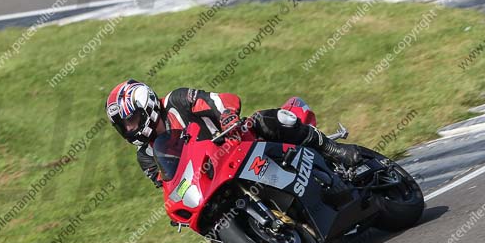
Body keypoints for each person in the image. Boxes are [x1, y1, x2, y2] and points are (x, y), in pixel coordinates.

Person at [105, 79, 362, 187]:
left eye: (131, 120)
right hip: (214, 180)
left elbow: (219, 100)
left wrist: (227, 115)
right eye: (123, 126)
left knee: (262, 120)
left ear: (147, 106)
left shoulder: (177, 101)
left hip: (239, 144)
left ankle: (330, 148)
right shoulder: (146, 155)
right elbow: (167, 185)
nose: (129, 129)